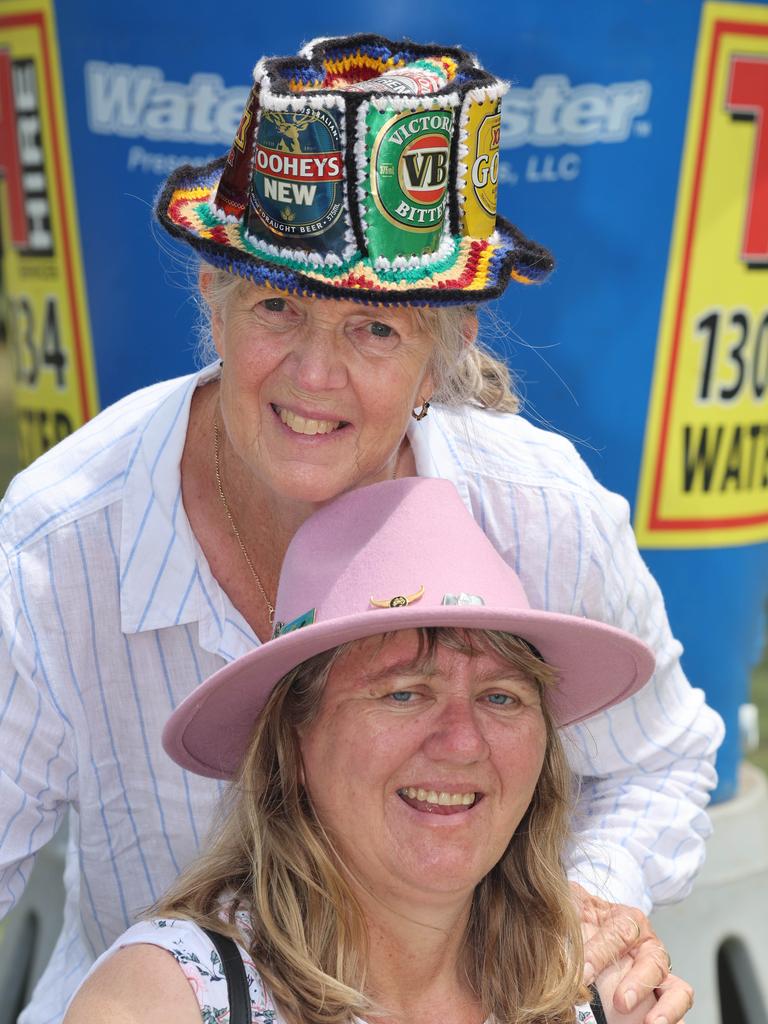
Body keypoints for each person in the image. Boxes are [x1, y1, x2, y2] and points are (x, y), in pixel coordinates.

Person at [0, 33, 717, 1024]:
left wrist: (589, 910)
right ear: (211, 298)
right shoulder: (56, 544)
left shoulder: (536, 511)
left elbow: (659, 755)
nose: (313, 373)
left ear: (446, 350)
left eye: (373, 327)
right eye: (277, 307)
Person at [64, 477, 666, 1024]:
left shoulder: (590, 994)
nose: (461, 742)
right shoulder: (164, 1001)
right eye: (404, 693)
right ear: (293, 746)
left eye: (501, 697)